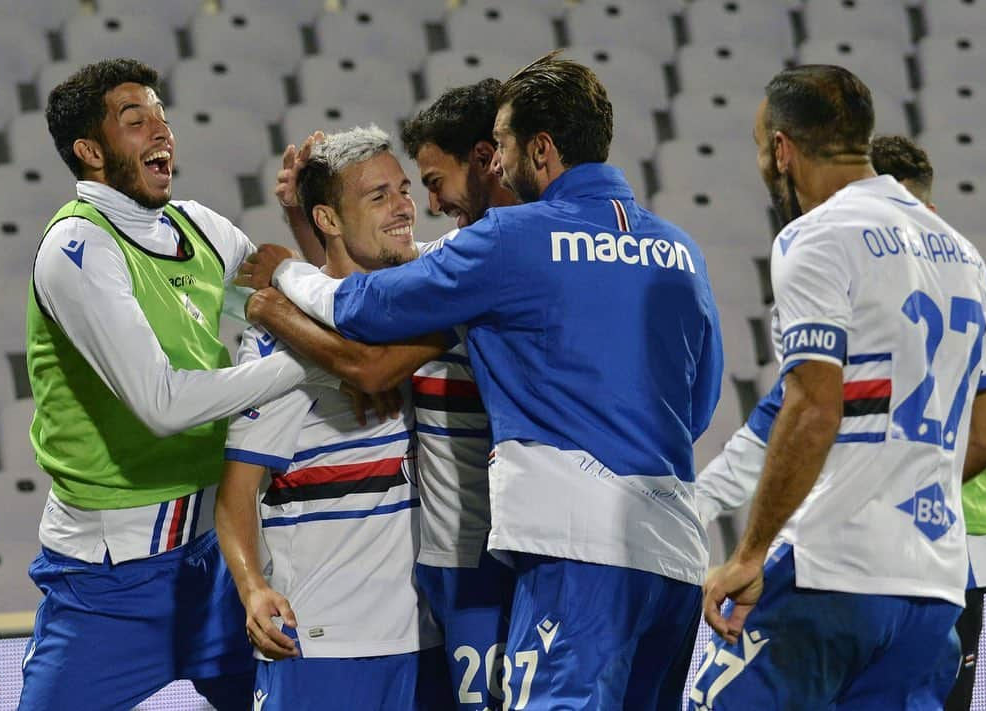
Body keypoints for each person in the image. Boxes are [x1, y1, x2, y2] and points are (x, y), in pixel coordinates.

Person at [239, 52, 724, 709]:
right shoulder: (679, 249)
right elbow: (697, 404)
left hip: (570, 553)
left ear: (540, 149)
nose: (494, 161)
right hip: (673, 556)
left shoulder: (506, 244)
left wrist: (283, 277)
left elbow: (365, 318)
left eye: (501, 145)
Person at [692, 133, 986, 710]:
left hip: (952, 554)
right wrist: (698, 506)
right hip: (867, 548)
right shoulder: (858, 288)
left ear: (928, 215)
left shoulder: (982, 285)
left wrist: (925, 423)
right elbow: (782, 419)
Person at [19, 58, 329, 710]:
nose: (162, 131)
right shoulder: (77, 248)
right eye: (136, 121)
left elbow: (302, 309)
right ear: (90, 150)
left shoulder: (200, 227)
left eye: (162, 115)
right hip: (111, 584)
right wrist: (310, 366)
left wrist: (308, 224)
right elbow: (162, 405)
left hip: (217, 558)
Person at [215, 126, 454, 711]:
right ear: (328, 219)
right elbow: (236, 495)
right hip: (323, 641)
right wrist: (253, 588)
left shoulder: (421, 307)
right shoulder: (279, 341)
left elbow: (365, 352)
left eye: (403, 190)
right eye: (379, 197)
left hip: (426, 636)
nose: (404, 207)